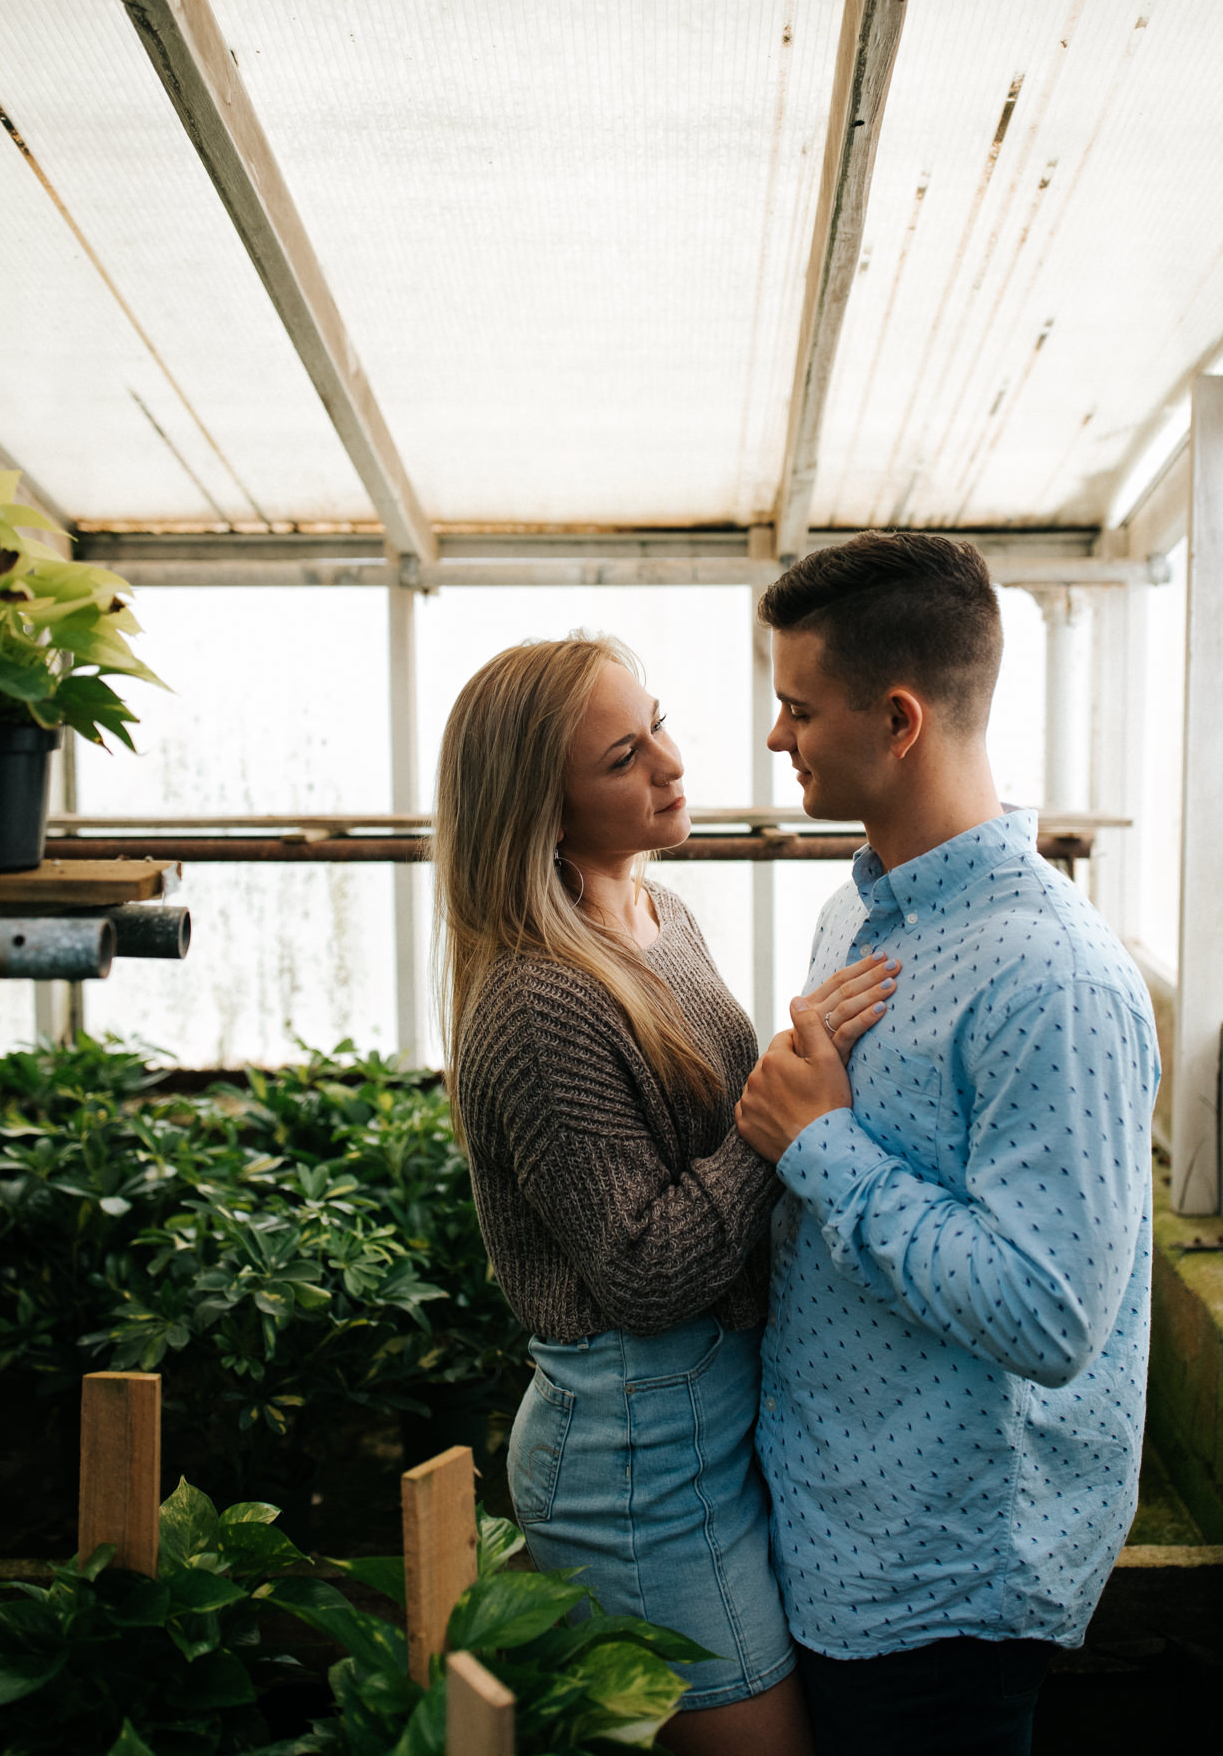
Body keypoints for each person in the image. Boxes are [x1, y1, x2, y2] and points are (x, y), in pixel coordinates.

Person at [433, 631, 898, 1755]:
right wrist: (779, 1117)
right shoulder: (541, 1002)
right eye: (622, 757)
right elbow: (643, 1269)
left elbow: (733, 1110)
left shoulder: (659, 915)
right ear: (539, 810)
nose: (674, 764)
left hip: (702, 1419)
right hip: (635, 1454)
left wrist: (791, 1076)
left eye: (660, 723)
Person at [734, 532, 1159, 1756]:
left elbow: (1047, 1310)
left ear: (901, 717)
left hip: (944, 1585)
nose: (777, 737)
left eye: (796, 706)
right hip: (832, 1529)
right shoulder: (854, 909)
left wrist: (818, 1142)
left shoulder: (1054, 975)